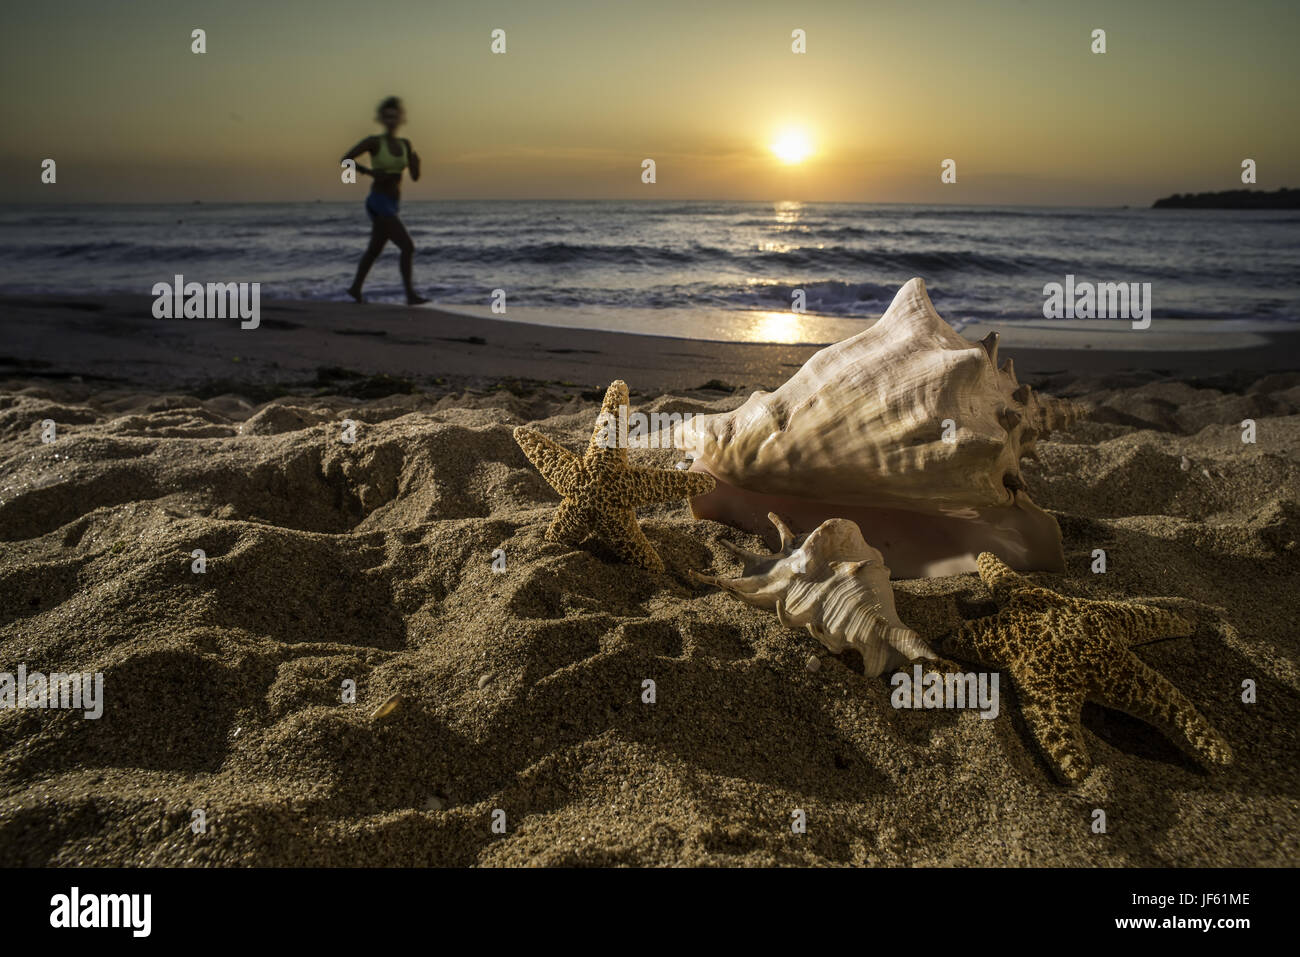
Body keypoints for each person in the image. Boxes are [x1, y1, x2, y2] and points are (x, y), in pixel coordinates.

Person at [340, 96, 428, 304]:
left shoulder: (405, 144)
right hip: (378, 201)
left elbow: (414, 177)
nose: (391, 120)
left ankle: (355, 289)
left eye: (394, 116)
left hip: (393, 202)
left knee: (374, 249)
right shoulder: (374, 142)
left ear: (400, 119)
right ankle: (410, 295)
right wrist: (369, 173)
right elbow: (345, 159)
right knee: (407, 247)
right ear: (381, 119)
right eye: (387, 116)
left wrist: (417, 164)